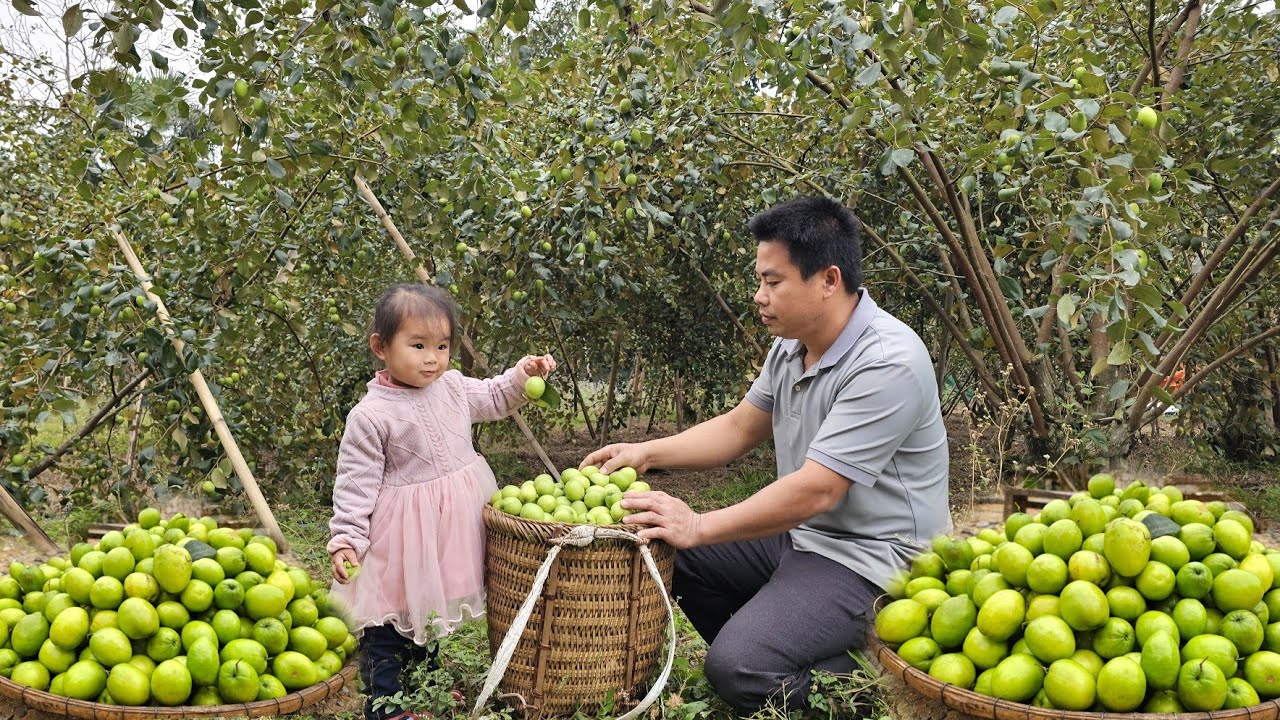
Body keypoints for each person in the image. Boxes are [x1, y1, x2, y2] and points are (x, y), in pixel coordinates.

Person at [582, 196, 950, 714]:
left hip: (874, 559)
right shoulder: (792, 345)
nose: (759, 297)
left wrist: (701, 524)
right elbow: (737, 428)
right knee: (669, 550)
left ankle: (875, 680)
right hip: (806, 541)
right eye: (760, 281)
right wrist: (645, 452)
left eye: (773, 283)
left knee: (737, 668)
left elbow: (819, 488)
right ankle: (780, 643)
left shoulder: (887, 361)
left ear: (828, 279)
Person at [328, 284, 556, 720]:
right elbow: (354, 484)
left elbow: (493, 397)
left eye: (442, 346)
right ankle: (386, 705)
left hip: (446, 529)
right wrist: (346, 540)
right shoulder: (371, 415)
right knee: (388, 618)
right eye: (417, 346)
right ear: (381, 346)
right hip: (400, 537)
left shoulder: (450, 386)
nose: (432, 357)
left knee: (427, 609)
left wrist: (522, 376)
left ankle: (423, 685)